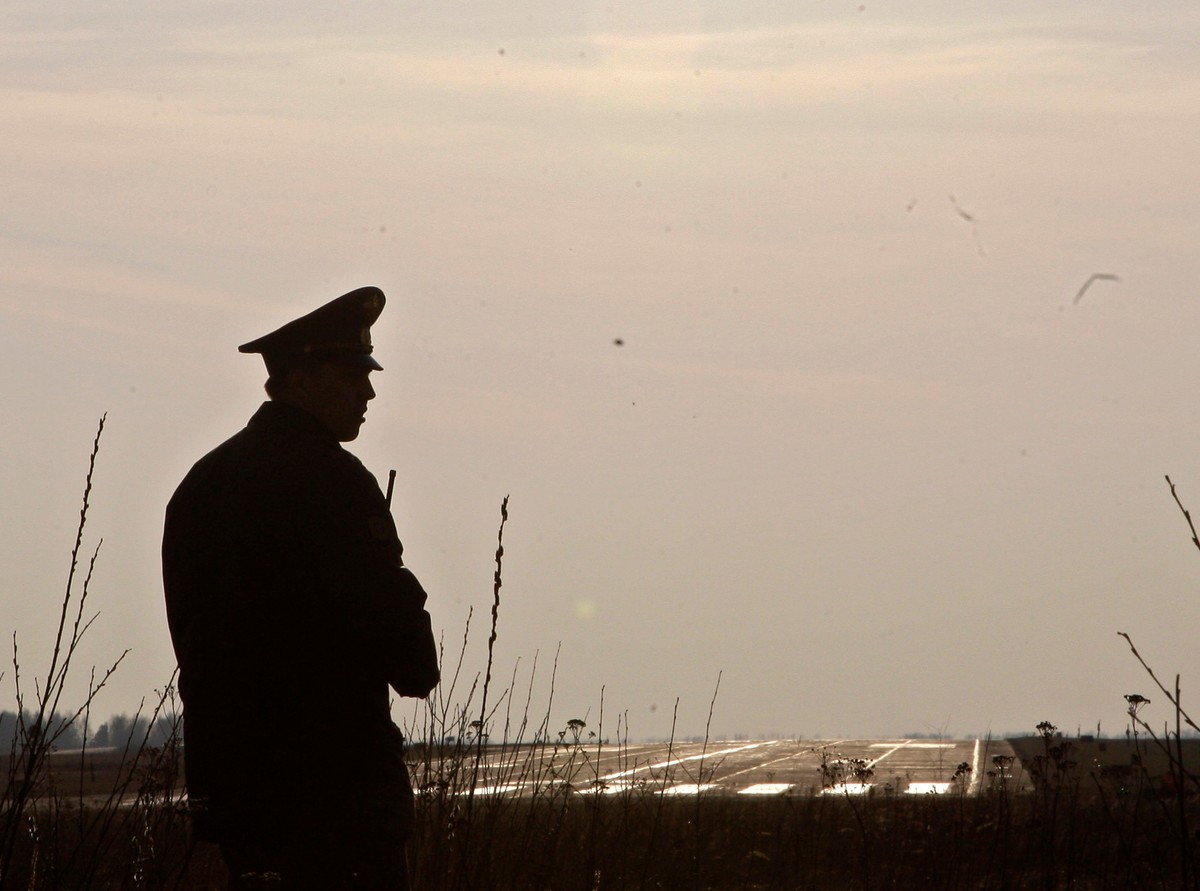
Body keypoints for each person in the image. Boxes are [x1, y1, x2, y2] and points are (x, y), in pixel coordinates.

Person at [162, 286, 439, 889]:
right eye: (352, 373)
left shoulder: (200, 486)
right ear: (303, 381)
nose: (369, 390)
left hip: (239, 800)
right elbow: (412, 662)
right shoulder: (333, 481)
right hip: (336, 797)